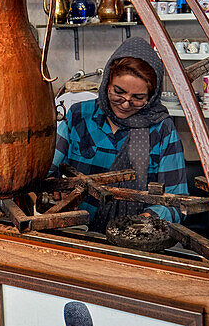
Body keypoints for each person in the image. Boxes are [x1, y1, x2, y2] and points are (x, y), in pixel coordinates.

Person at [53, 38, 189, 228]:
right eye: (118, 92)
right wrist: (54, 187)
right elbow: (47, 169)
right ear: (107, 82)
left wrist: (140, 224)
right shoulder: (78, 115)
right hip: (78, 230)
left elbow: (177, 201)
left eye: (138, 98)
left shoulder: (161, 129)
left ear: (152, 96)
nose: (126, 104)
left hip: (134, 239)